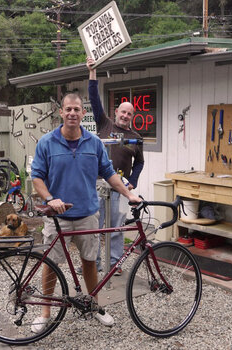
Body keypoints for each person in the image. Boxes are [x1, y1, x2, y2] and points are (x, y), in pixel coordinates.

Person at [31, 91, 141, 333]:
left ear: (83, 113)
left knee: (90, 263)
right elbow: (36, 177)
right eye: (68, 109)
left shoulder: (93, 142)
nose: (72, 113)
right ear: (61, 112)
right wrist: (50, 199)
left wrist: (128, 193)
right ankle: (45, 313)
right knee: (51, 264)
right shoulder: (46, 142)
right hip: (57, 216)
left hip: (88, 214)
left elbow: (109, 173)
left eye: (76, 109)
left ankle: (94, 306)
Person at [77, 56, 144, 276]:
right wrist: (92, 72)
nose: (125, 115)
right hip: (97, 185)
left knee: (116, 228)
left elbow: (140, 162)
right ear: (116, 112)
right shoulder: (104, 123)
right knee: (95, 228)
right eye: (122, 112)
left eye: (129, 114)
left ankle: (115, 264)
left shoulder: (135, 137)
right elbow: (94, 99)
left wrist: (132, 182)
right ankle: (93, 264)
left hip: (119, 188)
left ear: (132, 117)